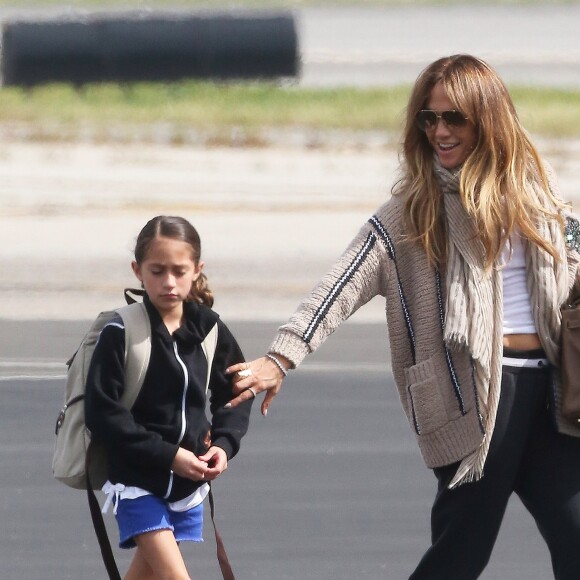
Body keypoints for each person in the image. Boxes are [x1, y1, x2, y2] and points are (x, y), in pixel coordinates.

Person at [225, 54, 580, 579]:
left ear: (489, 119)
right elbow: (340, 285)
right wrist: (282, 356)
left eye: (454, 118)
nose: (440, 131)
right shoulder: (412, 215)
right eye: (428, 119)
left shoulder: (544, 204)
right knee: (462, 553)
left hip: (553, 395)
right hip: (474, 400)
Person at [85, 215, 253, 580]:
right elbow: (102, 415)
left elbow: (236, 392)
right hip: (136, 481)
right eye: (157, 271)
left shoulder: (209, 328)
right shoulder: (120, 331)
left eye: (179, 271)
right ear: (137, 270)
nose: (169, 282)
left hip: (189, 484)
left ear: (197, 270)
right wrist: (170, 456)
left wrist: (224, 445)